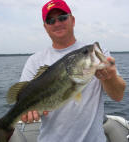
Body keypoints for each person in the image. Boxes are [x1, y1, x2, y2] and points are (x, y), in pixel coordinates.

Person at [20, 0, 126, 142]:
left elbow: (118, 96)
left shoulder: (98, 54)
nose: (57, 23)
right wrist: (26, 114)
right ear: (45, 27)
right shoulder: (35, 61)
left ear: (73, 20)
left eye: (63, 17)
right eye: (51, 21)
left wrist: (110, 77)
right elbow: (21, 99)